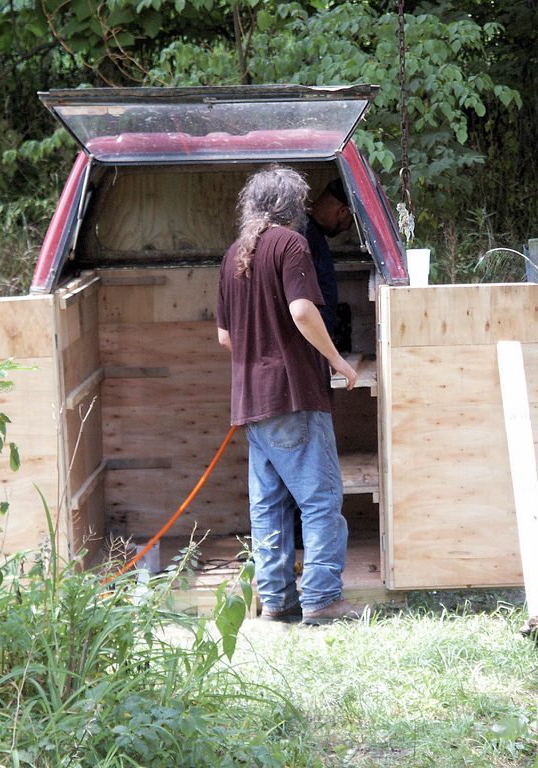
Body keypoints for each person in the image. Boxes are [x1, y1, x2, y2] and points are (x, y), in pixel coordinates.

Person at [217, 165, 360, 626]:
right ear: (292, 206)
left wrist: (258, 359)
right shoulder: (291, 244)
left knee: (270, 507)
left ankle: (277, 604)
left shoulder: (234, 255)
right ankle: (322, 599)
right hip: (294, 395)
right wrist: (337, 361)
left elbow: (225, 338)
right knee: (319, 501)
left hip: (250, 402)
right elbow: (301, 310)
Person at [304, 178, 355, 349]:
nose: (348, 228)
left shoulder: (311, 233)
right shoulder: (305, 236)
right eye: (351, 221)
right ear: (343, 211)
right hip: (310, 343)